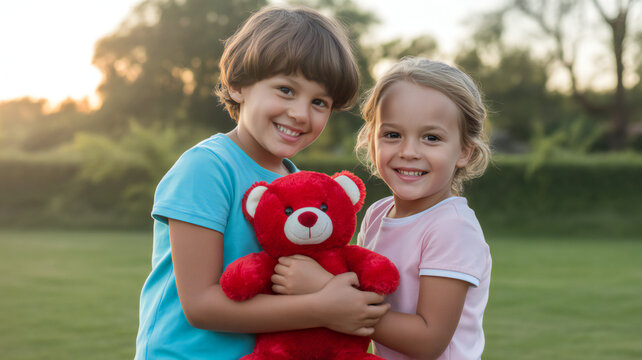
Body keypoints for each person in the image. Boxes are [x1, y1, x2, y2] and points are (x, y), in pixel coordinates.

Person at [134, 6, 391, 360]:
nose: (301, 113)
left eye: (319, 102)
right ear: (238, 86)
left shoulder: (298, 182)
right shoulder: (207, 168)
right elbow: (201, 305)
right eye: (286, 90)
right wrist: (323, 307)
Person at [272, 57, 492, 359]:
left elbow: (428, 341)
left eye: (431, 138)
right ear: (371, 141)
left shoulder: (451, 228)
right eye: (392, 135)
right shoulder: (377, 213)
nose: (409, 152)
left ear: (464, 151)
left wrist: (323, 288)